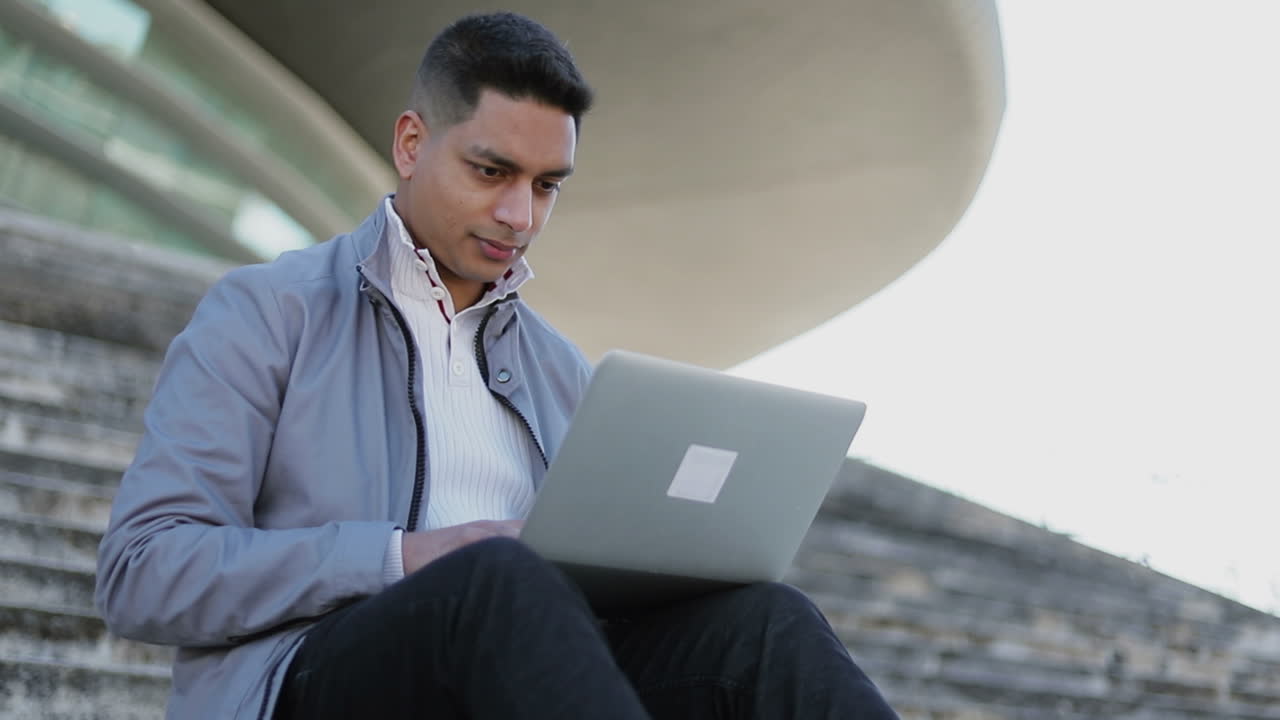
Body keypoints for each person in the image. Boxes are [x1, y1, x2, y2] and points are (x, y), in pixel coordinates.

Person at [95, 11, 899, 720]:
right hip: (312, 681)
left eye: (547, 186)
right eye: (492, 172)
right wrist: (404, 557)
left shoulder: (558, 370)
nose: (520, 215)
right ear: (412, 143)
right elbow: (143, 570)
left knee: (764, 625)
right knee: (495, 581)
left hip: (519, 669)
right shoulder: (270, 312)